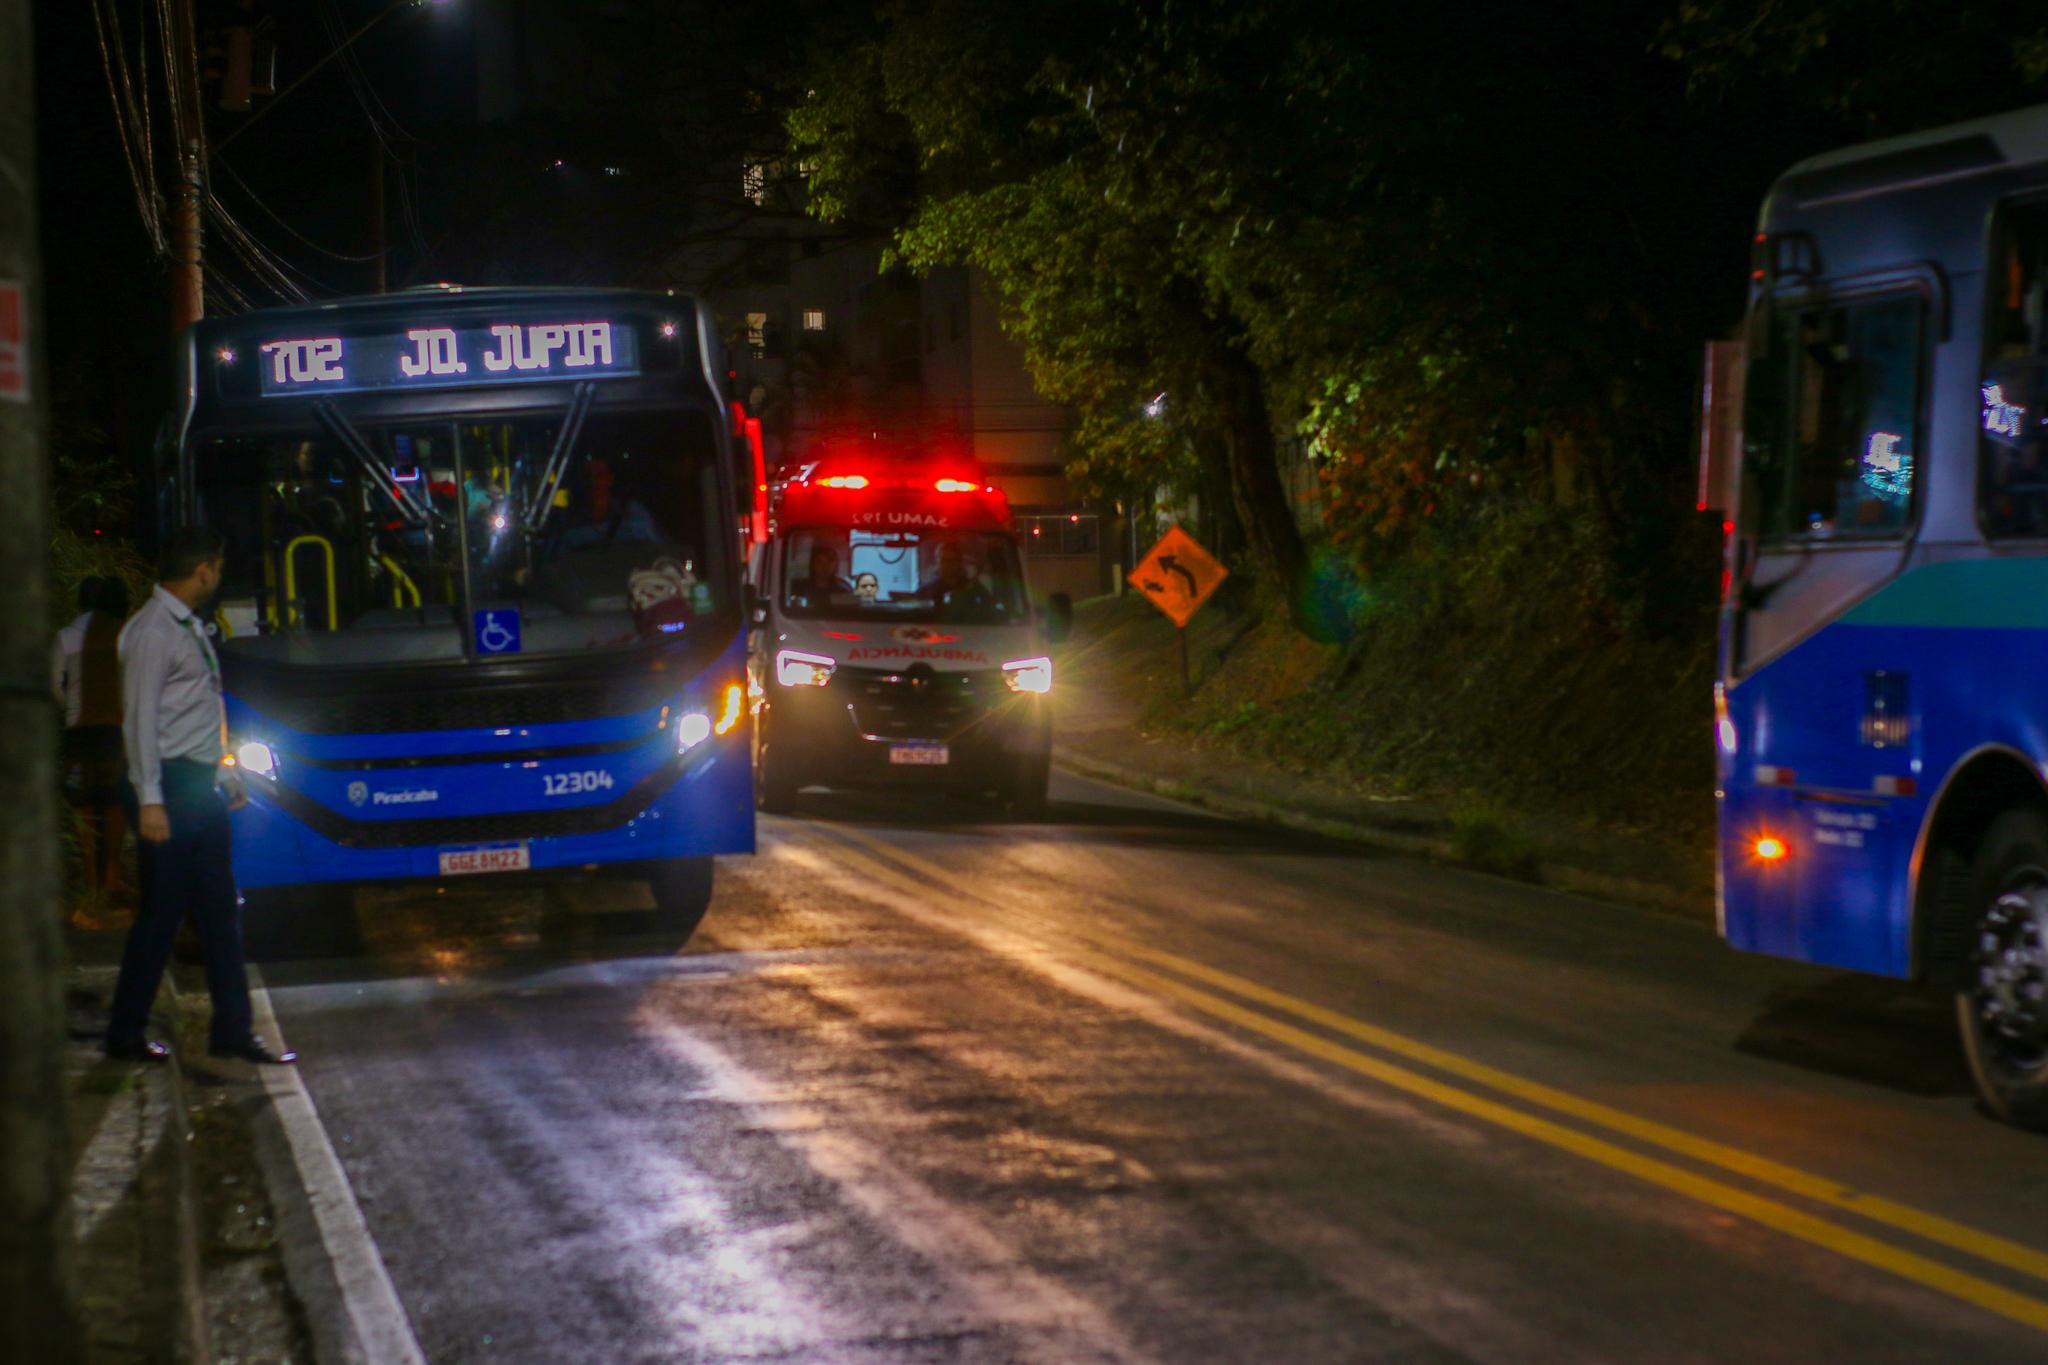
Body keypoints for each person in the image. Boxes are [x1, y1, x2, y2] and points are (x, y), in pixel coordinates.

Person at [105, 529, 295, 1066]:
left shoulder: (186, 627)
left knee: (221, 912)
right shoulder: (152, 632)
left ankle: (232, 1030)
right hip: (167, 785)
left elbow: (199, 709)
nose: (216, 577)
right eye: (215, 568)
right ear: (203, 570)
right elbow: (139, 719)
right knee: (162, 916)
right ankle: (125, 1033)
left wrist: (224, 774)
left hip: (199, 785)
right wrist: (149, 799)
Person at [52, 576, 129, 906]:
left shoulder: (66, 636)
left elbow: (54, 685)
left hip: (78, 730)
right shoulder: (124, 633)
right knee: (115, 801)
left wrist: (69, 708)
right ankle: (111, 873)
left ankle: (90, 877)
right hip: (116, 728)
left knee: (83, 801)